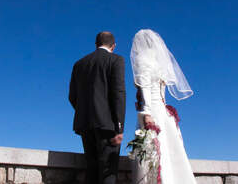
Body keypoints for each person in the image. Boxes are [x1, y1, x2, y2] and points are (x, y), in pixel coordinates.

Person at [131, 29, 196, 184]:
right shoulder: (160, 64)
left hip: (152, 110)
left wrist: (146, 113)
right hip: (163, 111)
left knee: (153, 151)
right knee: (169, 150)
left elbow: (145, 87)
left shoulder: (143, 60)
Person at [69, 31, 126, 184]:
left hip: (85, 123)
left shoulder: (79, 64)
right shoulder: (116, 60)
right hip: (108, 125)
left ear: (96, 44)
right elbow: (118, 94)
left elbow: (72, 97)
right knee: (109, 171)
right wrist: (119, 127)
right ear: (113, 46)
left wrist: (86, 112)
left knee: (92, 169)